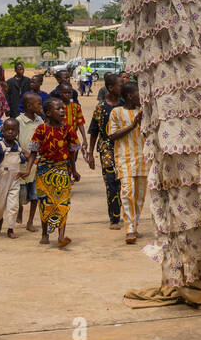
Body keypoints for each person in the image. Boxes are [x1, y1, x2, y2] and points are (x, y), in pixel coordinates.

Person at [23, 96, 80, 248]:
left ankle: (61, 236)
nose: (62, 111)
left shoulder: (68, 129)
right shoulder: (41, 129)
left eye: (63, 108)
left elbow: (72, 152)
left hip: (62, 169)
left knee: (62, 203)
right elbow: (34, 152)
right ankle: (45, 233)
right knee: (45, 203)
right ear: (47, 113)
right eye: (58, 109)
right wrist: (28, 169)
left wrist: (74, 170)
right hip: (44, 170)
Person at [108, 81, 148, 244]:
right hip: (124, 159)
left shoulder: (144, 111)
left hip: (143, 160)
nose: (142, 97)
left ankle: (134, 225)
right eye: (139, 94)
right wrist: (133, 125)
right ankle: (129, 229)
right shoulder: (116, 112)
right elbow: (112, 136)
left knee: (139, 197)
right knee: (127, 193)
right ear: (130, 96)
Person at [87, 74, 123, 227]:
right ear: (111, 88)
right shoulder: (101, 108)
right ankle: (114, 218)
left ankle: (121, 214)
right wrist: (90, 153)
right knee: (111, 183)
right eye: (120, 84)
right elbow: (94, 130)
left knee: (123, 183)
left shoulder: (124, 104)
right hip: (107, 149)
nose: (122, 87)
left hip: (123, 149)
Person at [0, 117, 26, 237]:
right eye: (7, 130)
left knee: (13, 205)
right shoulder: (0, 146)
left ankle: (10, 228)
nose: (10, 132)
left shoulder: (17, 146)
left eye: (13, 130)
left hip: (14, 180)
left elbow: (21, 159)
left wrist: (29, 159)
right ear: (3, 131)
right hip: (1, 180)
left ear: (17, 132)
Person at [15, 92, 43, 232]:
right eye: (39, 104)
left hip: (36, 165)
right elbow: (13, 140)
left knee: (35, 196)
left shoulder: (40, 121)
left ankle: (30, 221)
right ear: (29, 106)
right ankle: (19, 209)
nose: (41, 106)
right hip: (21, 165)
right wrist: (22, 151)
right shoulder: (19, 121)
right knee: (20, 196)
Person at [49, 74, 89, 160]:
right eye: (65, 93)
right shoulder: (56, 108)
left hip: (72, 139)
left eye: (69, 92)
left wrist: (84, 139)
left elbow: (80, 123)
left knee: (72, 161)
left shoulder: (76, 107)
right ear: (60, 93)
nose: (67, 95)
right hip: (58, 139)